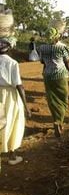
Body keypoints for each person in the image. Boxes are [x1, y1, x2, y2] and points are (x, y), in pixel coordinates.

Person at [0, 37, 31, 167]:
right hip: (9, 96)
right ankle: (12, 155)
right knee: (12, 122)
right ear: (10, 47)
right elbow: (19, 85)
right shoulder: (12, 63)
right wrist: (26, 106)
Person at [38, 27, 69, 137]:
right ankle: (59, 122)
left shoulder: (42, 48)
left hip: (48, 75)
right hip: (60, 75)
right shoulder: (63, 47)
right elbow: (67, 63)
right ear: (57, 35)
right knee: (63, 99)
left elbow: (43, 62)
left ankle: (55, 120)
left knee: (52, 99)